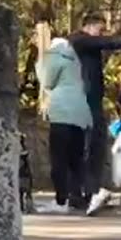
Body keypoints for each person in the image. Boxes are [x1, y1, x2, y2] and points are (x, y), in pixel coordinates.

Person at [67, 12, 121, 214]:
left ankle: (89, 192)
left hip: (91, 102)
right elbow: (107, 43)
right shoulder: (79, 41)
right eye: (100, 30)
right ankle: (76, 195)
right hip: (80, 103)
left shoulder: (88, 45)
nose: (102, 34)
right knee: (83, 147)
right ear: (90, 26)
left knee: (96, 146)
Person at [38, 36, 94, 211]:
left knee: (59, 158)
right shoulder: (75, 59)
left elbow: (47, 82)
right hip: (80, 114)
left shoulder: (54, 56)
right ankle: (78, 196)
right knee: (76, 158)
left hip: (62, 113)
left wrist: (40, 65)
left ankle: (61, 199)